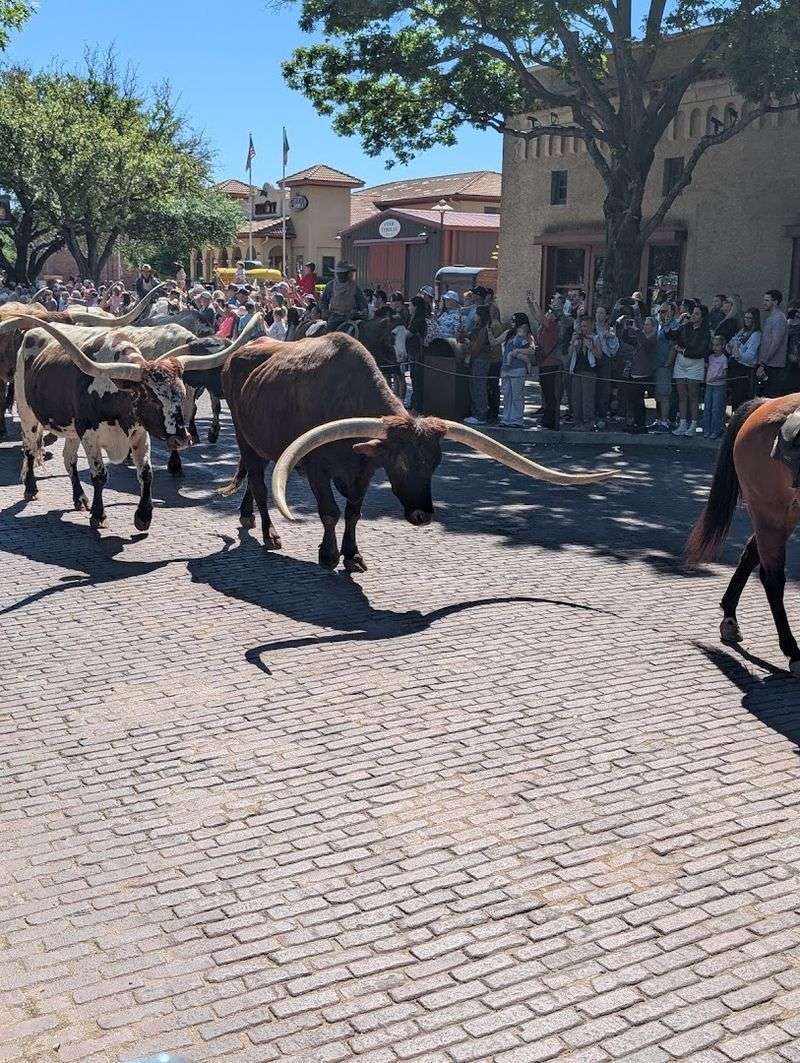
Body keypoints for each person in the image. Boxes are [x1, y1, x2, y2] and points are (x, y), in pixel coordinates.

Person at [672, 303, 710, 435]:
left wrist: (683, 350)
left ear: (702, 317)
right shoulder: (685, 326)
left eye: (697, 314)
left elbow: (699, 351)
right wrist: (675, 321)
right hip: (680, 364)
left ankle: (693, 425)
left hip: (695, 364)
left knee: (693, 395)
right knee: (682, 395)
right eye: (693, 313)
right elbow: (672, 335)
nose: (693, 316)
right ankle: (682, 423)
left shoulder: (705, 332)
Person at [494, 312, 533, 427]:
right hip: (506, 368)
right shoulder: (508, 334)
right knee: (507, 395)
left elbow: (532, 350)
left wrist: (517, 352)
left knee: (517, 395)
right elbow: (495, 342)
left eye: (514, 321)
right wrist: (489, 331)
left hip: (518, 369)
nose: (512, 323)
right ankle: (506, 419)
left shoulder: (527, 335)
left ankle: (517, 420)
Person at [727, 307, 761, 409]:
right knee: (734, 398)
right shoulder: (742, 331)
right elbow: (732, 343)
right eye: (745, 317)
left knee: (741, 400)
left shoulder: (756, 335)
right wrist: (730, 347)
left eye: (750, 318)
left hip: (744, 369)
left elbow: (750, 356)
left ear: (755, 320)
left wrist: (739, 354)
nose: (747, 320)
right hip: (735, 366)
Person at [567, 316, 598, 431]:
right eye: (582, 326)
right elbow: (570, 354)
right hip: (576, 369)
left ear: (591, 326)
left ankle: (588, 422)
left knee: (587, 398)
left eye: (585, 326)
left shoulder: (595, 338)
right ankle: (578, 421)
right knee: (576, 398)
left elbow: (599, 355)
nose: (583, 328)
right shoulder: (577, 338)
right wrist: (573, 343)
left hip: (589, 371)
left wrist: (591, 346)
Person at [464, 305, 493, 425]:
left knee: (479, 387)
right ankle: (476, 412)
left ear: (480, 316)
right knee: (474, 386)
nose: (474, 316)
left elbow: (476, 348)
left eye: (476, 314)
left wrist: (468, 343)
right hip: (475, 360)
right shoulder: (477, 328)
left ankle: (481, 415)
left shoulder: (484, 330)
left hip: (481, 360)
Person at [757, 289, 788, 397]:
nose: (764, 303)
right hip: (767, 364)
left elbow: (775, 343)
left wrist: (764, 363)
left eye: (767, 300)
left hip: (774, 366)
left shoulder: (779, 318)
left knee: (771, 396)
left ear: (775, 302)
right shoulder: (770, 317)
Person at [319, 260, 368, 330]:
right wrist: (324, 310)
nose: (341, 275)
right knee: (329, 332)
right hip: (335, 317)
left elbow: (362, 302)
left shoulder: (355, 287)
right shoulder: (330, 285)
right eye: (339, 273)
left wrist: (363, 311)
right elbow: (323, 301)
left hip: (352, 317)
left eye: (343, 273)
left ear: (347, 273)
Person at [535, 309, 562, 431]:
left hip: (551, 363)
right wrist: (530, 304)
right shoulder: (542, 327)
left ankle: (551, 420)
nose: (547, 313)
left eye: (550, 312)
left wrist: (535, 302)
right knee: (546, 392)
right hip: (543, 363)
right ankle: (547, 416)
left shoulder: (553, 326)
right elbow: (537, 317)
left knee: (550, 393)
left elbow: (540, 317)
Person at [652, 303, 678, 430]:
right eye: (660, 312)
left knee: (664, 394)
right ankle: (658, 419)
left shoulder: (674, 325)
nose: (661, 314)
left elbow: (674, 345)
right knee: (657, 394)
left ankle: (664, 421)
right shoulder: (658, 324)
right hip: (656, 364)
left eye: (664, 311)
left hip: (664, 365)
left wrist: (668, 362)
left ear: (672, 312)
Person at [593, 305, 619, 429]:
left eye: (602, 313)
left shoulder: (609, 328)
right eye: (597, 312)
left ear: (606, 316)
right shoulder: (592, 327)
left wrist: (611, 337)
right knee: (592, 389)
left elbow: (614, 349)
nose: (599, 315)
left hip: (605, 360)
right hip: (592, 360)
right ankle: (592, 415)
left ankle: (602, 416)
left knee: (604, 390)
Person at [702, 334, 728, 439]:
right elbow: (708, 368)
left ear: (722, 346)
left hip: (719, 386)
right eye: (713, 345)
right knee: (707, 407)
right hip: (709, 385)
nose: (715, 348)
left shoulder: (724, 359)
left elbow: (725, 374)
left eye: (717, 345)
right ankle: (706, 429)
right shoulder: (710, 357)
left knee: (716, 409)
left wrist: (716, 377)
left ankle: (715, 430)